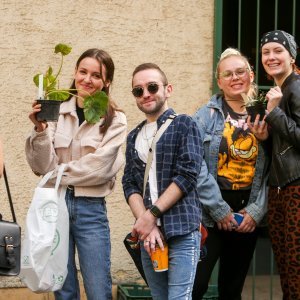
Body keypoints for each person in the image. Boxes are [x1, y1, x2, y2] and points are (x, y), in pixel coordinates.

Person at [25, 48, 127, 300]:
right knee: (64, 288)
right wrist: (39, 129)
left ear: (107, 82)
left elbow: (101, 168)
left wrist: (56, 173)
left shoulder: (115, 120)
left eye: (96, 75)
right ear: (75, 72)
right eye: (83, 72)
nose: (87, 79)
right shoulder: (55, 110)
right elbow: (40, 165)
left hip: (91, 209)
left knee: (98, 290)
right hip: (55, 206)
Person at [192, 48, 269, 300]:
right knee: (196, 284)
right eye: (228, 74)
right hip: (210, 211)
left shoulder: (269, 114)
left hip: (248, 212)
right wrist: (218, 209)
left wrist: (257, 212)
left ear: (251, 74)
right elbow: (196, 165)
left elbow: (276, 168)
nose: (235, 77)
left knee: (231, 289)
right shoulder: (204, 116)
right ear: (219, 81)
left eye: (240, 71)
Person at [122, 63, 203, 299]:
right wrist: (146, 224)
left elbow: (187, 175)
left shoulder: (184, 124)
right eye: (138, 90)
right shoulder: (133, 136)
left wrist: (151, 215)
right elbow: (129, 184)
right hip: (150, 235)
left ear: (168, 89)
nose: (145, 94)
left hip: (182, 229)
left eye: (152, 86)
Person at [256, 30, 300, 300]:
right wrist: (264, 137)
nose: (271, 57)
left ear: (292, 56)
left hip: (296, 189)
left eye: (278, 50)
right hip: (281, 188)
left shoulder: (296, 87)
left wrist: (274, 113)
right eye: (265, 52)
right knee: (287, 269)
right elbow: (284, 147)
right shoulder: (279, 90)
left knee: (295, 273)